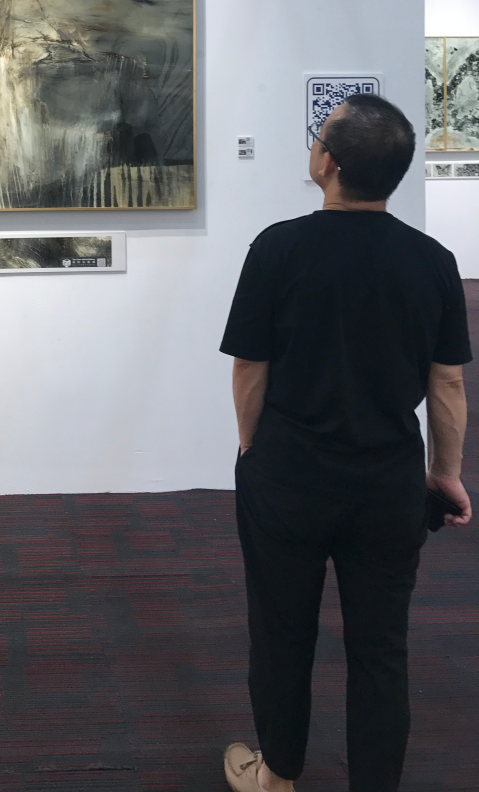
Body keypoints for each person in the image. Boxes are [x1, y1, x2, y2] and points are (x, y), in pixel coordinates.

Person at [220, 94, 472, 792]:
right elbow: (447, 383)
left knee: (281, 632)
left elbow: (249, 367)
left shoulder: (278, 248)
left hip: (289, 475)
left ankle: (277, 774)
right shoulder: (433, 260)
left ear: (327, 163)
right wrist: (446, 472)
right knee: (381, 647)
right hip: (387, 482)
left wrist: (251, 447)